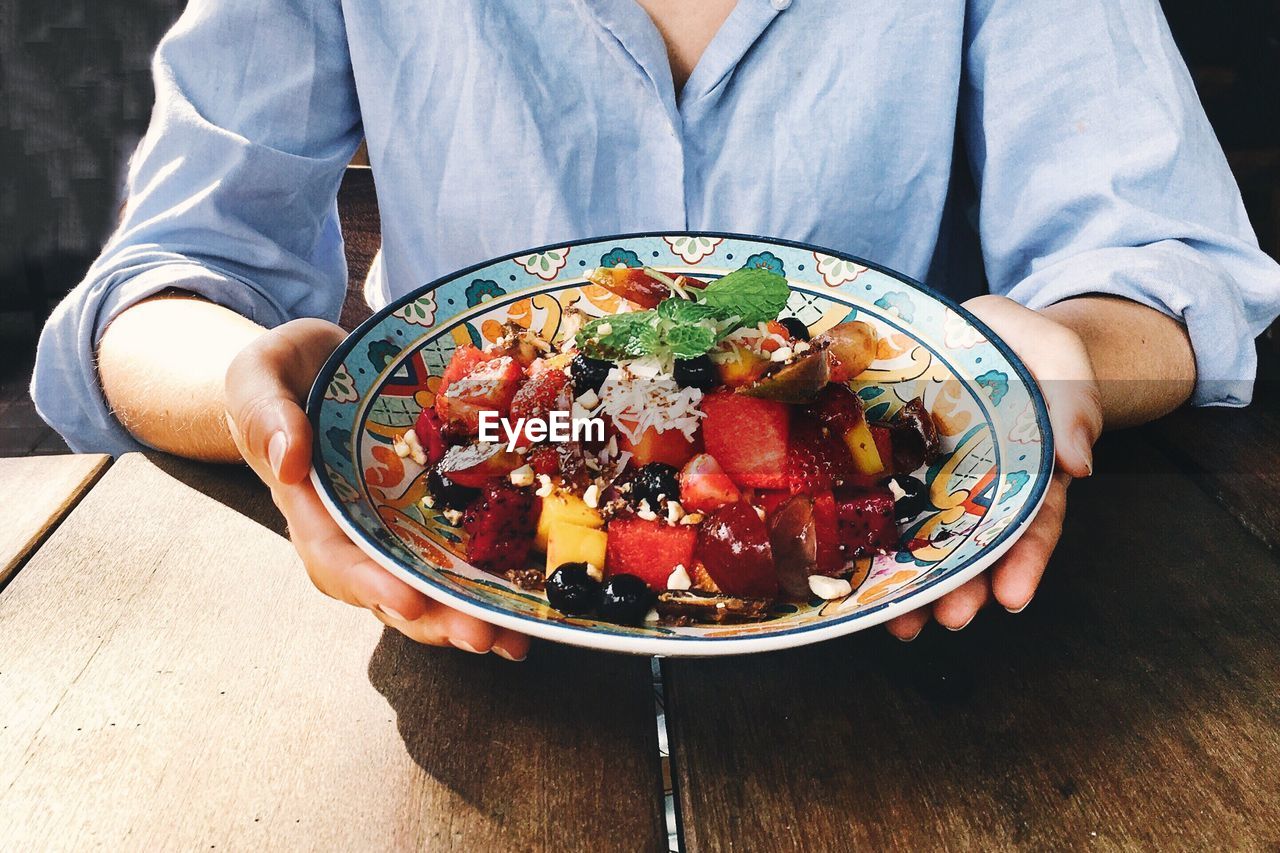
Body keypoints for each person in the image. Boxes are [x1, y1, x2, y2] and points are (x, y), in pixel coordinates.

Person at [31, 0, 1280, 659]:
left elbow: (1165, 267)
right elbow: (165, 285)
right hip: (463, 622)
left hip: (922, 656)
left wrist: (1037, 353)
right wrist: (251, 383)